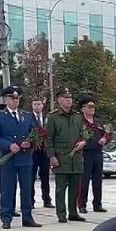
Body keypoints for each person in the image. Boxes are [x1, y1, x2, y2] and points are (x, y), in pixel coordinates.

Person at [0, 86, 41, 229]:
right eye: (12, 98)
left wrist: (29, 143)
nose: (15, 101)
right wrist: (8, 145)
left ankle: (27, 217)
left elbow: (36, 133)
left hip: (25, 158)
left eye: (17, 99)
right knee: (7, 188)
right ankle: (6, 217)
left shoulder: (27, 115)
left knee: (26, 189)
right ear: (6, 100)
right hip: (9, 158)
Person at [46, 88, 86, 223]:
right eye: (65, 98)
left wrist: (83, 141)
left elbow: (84, 133)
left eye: (70, 98)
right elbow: (48, 138)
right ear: (59, 100)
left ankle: (73, 212)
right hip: (61, 157)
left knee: (75, 188)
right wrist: (51, 156)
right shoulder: (53, 117)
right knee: (60, 188)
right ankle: (61, 213)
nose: (69, 100)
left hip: (76, 158)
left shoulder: (77, 116)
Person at [77, 95, 109, 214]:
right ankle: (82, 204)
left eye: (93, 107)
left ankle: (97, 204)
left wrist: (105, 139)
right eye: (89, 107)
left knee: (97, 180)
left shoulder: (98, 121)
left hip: (97, 152)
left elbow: (107, 133)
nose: (92, 109)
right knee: (84, 180)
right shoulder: (79, 122)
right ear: (82, 108)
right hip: (85, 153)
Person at [28, 98, 53, 209]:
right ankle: (30, 200)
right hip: (33, 151)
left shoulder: (48, 118)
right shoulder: (28, 118)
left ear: (42, 105)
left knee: (45, 176)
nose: (37, 106)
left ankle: (46, 199)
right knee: (31, 177)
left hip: (44, 151)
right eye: (34, 104)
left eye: (39, 104)